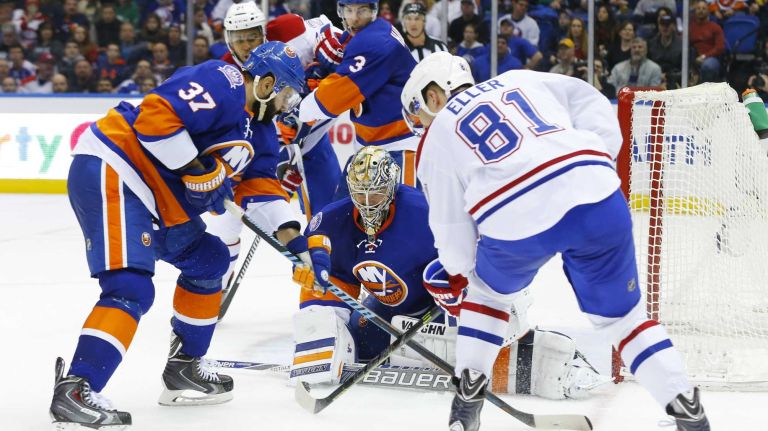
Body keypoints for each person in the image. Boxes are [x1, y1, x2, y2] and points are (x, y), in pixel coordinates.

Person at [401, 52, 711, 431]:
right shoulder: (520, 79)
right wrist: (595, 163)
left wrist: (459, 272)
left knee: (487, 296)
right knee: (625, 320)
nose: (420, 124)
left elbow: (450, 227)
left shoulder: (436, 138)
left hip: (515, 217)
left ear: (435, 95)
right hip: (596, 192)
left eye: (418, 111)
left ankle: (466, 403)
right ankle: (686, 409)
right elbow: (592, 102)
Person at [49, 41, 313, 429]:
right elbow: (154, 120)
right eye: (288, 93)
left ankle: (185, 368)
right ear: (268, 82)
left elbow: (262, 192)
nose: (288, 104)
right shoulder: (223, 80)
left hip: (158, 201)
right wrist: (197, 167)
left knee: (210, 261)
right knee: (130, 288)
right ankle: (77, 387)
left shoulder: (262, 134)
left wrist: (296, 243)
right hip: (119, 168)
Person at [289, 145, 607, 400]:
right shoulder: (334, 217)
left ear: (392, 186)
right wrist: (313, 268)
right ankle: (321, 352)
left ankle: (553, 361)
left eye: (375, 193)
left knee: (464, 335)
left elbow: (478, 257)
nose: (367, 202)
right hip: (385, 312)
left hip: (439, 308)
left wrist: (461, 296)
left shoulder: (425, 213)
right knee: (328, 319)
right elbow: (320, 252)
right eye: (360, 194)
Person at [298, 0, 419, 199]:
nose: (354, 18)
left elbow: (328, 101)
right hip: (369, 151)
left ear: (373, 11)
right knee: (340, 221)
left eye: (361, 11)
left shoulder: (374, 42)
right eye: (349, 10)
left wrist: (298, 106)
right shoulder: (370, 33)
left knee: (405, 221)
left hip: (400, 148)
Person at [690, 0, 724, 83]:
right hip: (693, 58)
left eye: (703, 8)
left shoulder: (715, 27)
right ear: (695, 11)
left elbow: (719, 48)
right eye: (698, 8)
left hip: (711, 58)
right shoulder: (690, 27)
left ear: (708, 11)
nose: (701, 10)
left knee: (708, 66)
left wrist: (704, 56)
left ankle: (706, 91)